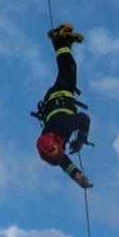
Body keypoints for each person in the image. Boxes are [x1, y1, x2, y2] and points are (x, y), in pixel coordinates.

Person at [31, 23, 93, 189]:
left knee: (68, 67)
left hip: (61, 93)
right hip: (55, 98)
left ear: (56, 142)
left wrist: (81, 139)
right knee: (67, 66)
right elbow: (63, 162)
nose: (62, 151)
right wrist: (79, 178)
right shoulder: (51, 143)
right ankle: (66, 41)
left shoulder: (60, 126)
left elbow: (84, 119)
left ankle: (58, 38)